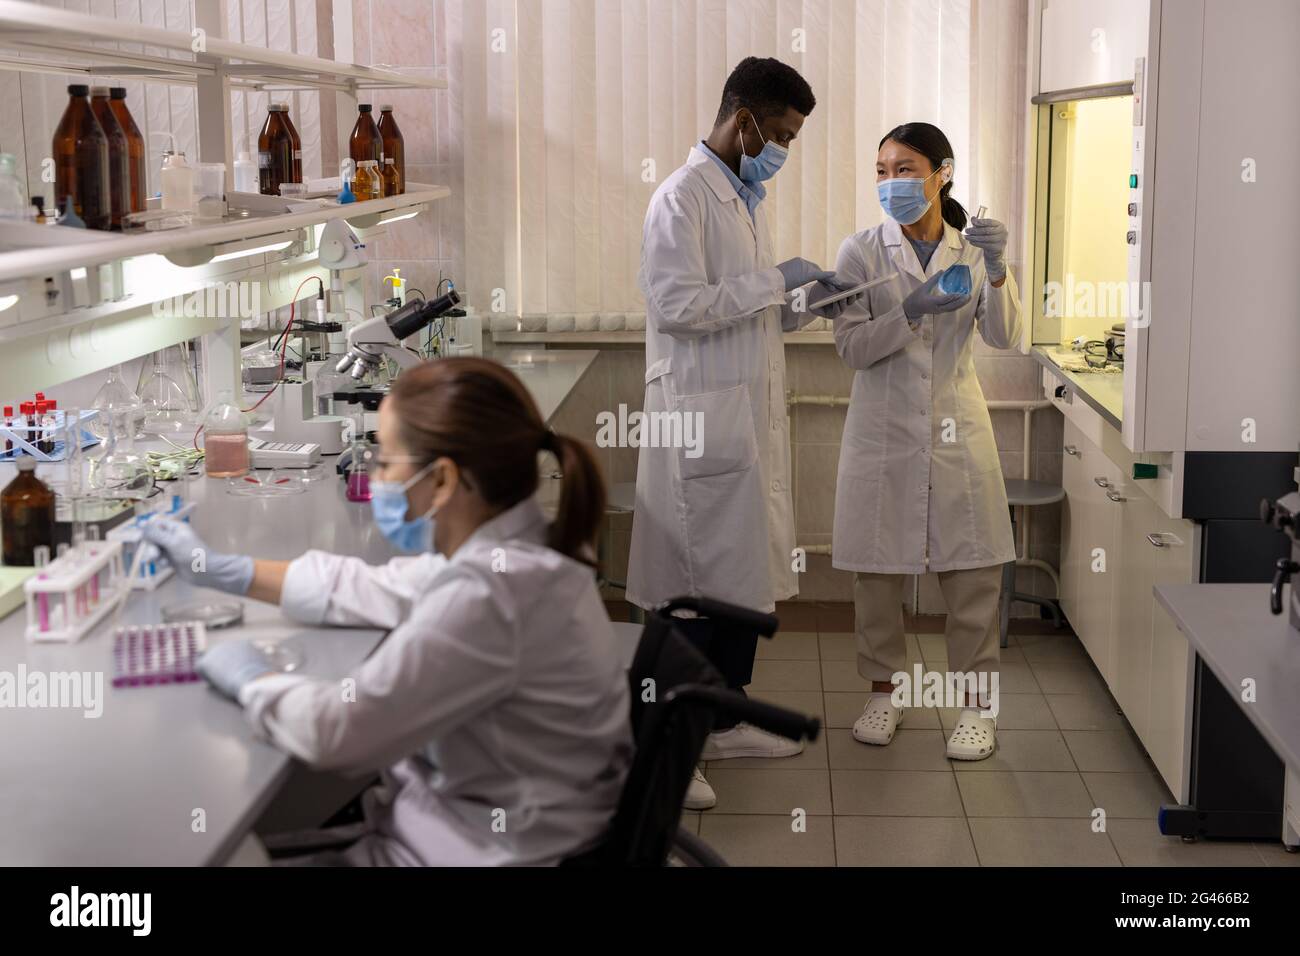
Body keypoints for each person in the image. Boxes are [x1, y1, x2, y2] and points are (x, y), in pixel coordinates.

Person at [141, 358, 632, 865]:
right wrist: (229, 570)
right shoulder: (516, 554)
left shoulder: (489, 593)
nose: (373, 475)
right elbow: (371, 585)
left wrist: (252, 680)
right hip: (498, 827)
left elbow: (337, 733)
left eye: (386, 461)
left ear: (441, 480)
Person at [627, 57, 862, 809]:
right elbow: (677, 307)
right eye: (782, 134)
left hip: (741, 419)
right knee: (692, 589)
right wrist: (776, 282)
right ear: (744, 122)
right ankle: (672, 743)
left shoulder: (742, 198)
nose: (784, 149)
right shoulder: (681, 197)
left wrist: (806, 302)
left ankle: (721, 723)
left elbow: (747, 309)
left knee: (739, 581)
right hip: (700, 422)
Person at [830, 122, 1022, 761]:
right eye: (881, 171)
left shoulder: (972, 251)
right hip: (882, 431)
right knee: (878, 577)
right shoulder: (858, 253)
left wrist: (997, 274)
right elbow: (853, 347)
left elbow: (1003, 337)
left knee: (971, 576)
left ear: (943, 172)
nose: (890, 183)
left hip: (956, 428)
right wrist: (911, 308)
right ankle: (884, 692)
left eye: (905, 169)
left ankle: (975, 709)